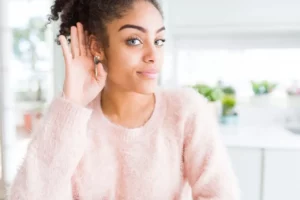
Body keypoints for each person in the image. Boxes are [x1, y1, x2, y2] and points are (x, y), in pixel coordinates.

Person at [8, 0, 240, 199]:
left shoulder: (185, 110)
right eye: (134, 40)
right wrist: (72, 104)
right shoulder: (71, 120)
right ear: (97, 46)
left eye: (159, 40)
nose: (153, 56)